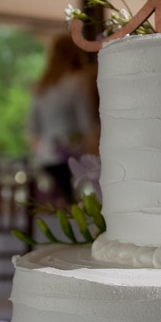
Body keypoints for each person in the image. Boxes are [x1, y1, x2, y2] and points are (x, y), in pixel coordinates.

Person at [28, 33, 98, 202]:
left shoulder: (41, 87)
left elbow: (33, 131)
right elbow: (87, 124)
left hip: (46, 159)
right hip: (73, 157)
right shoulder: (78, 82)